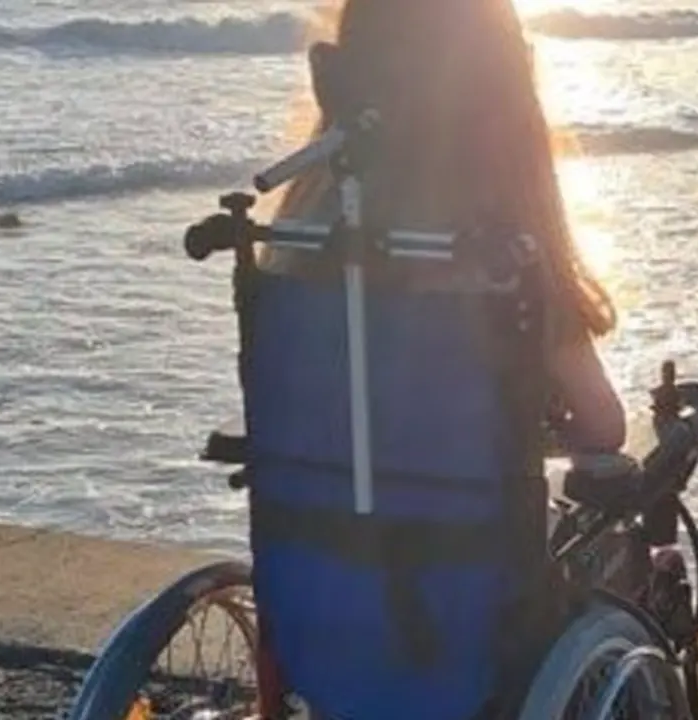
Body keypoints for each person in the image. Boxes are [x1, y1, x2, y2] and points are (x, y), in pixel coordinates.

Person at [266, 0, 626, 453]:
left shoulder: (306, 223)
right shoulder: (500, 251)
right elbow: (603, 425)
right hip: (461, 515)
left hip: (309, 513)